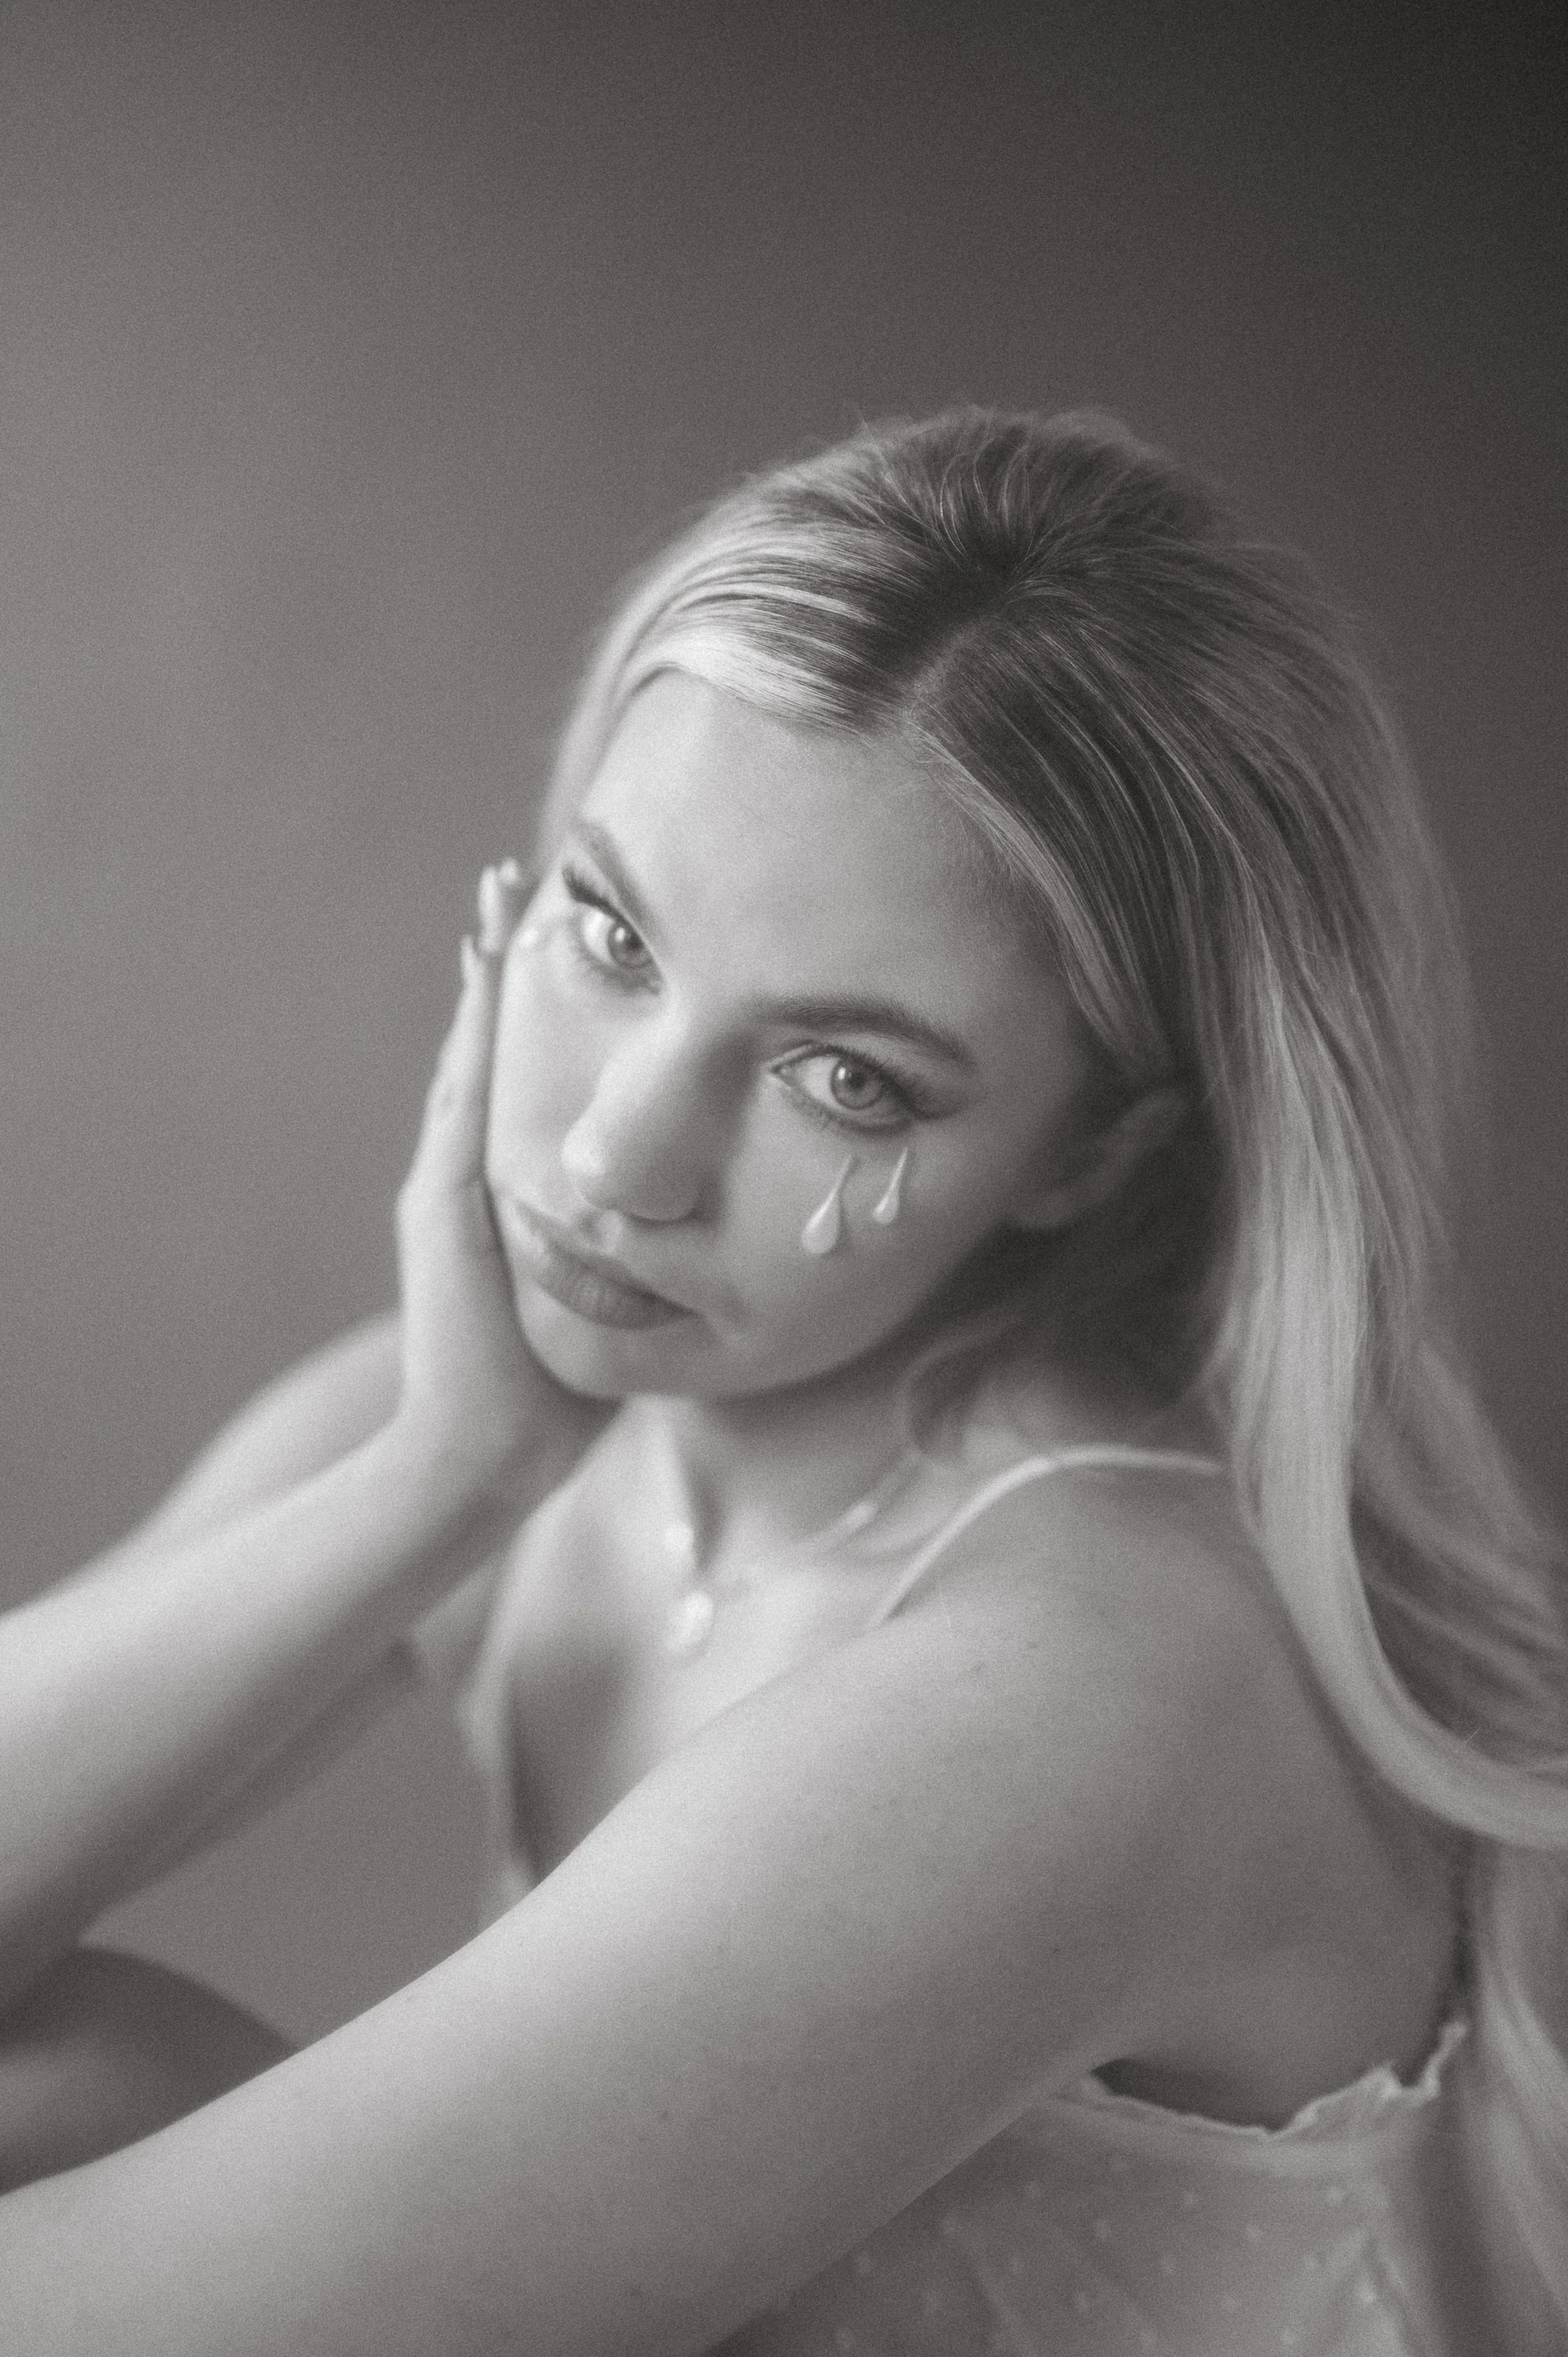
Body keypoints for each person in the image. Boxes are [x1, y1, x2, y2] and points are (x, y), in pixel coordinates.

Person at [0, 410, 1561, 2355]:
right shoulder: (520, 1426)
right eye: (609, 931)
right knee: (70, 2079)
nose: (613, 1163)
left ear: (1094, 1154)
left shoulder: (1084, 1695)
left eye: (849, 1078)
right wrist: (435, 1488)